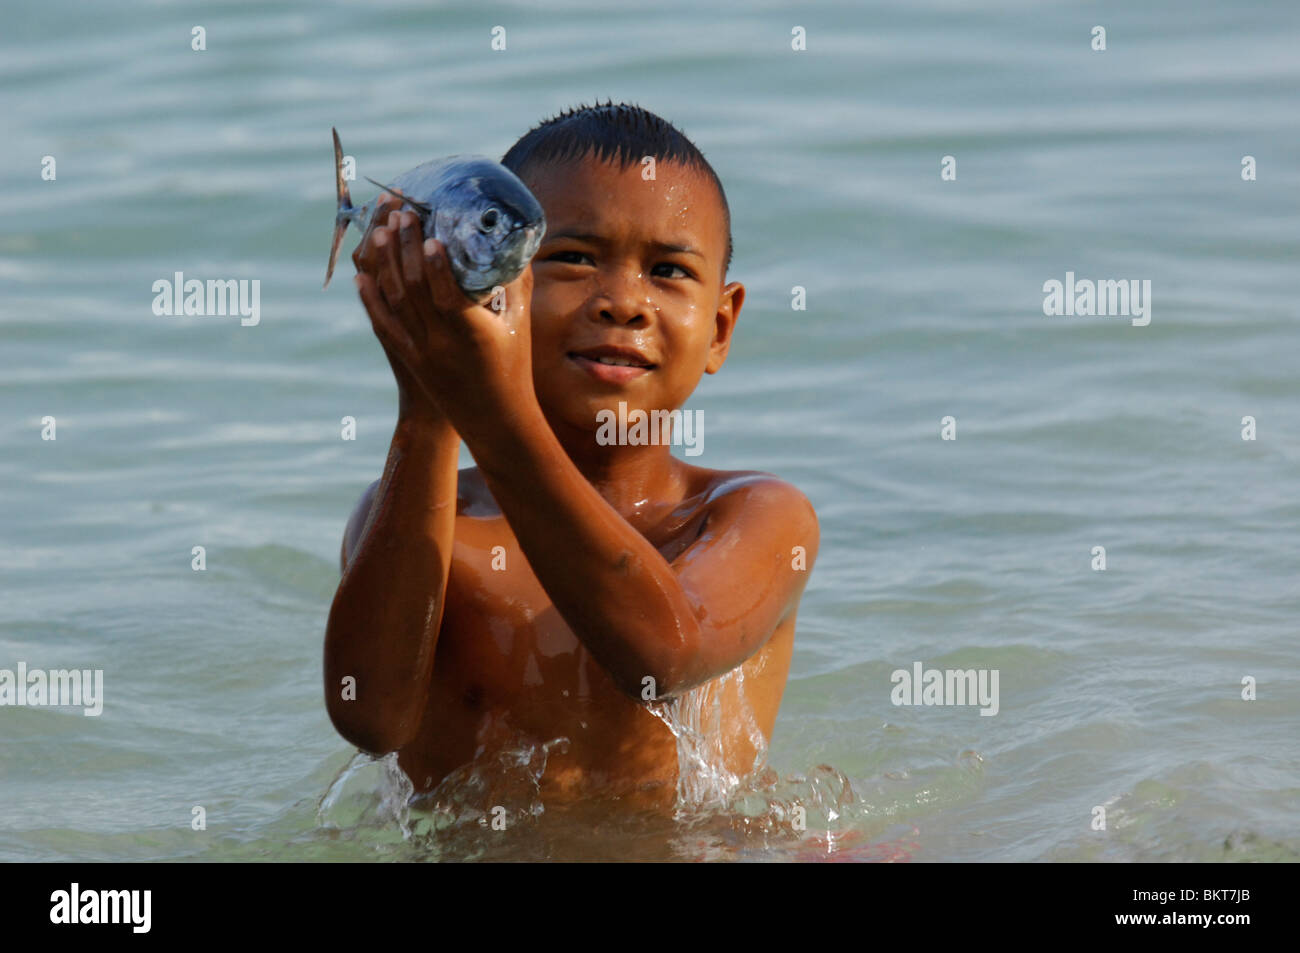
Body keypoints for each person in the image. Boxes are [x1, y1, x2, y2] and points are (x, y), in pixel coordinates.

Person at [324, 102, 818, 811]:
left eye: (669, 271)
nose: (623, 302)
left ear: (720, 326)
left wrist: (492, 416)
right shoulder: (435, 521)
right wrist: (428, 410)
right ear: (488, 284)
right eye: (574, 259)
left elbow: (662, 656)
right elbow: (369, 719)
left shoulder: (755, 518)